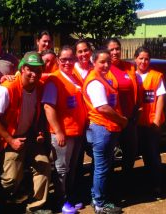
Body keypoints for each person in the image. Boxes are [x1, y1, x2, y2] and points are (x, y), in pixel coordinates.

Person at [0, 51, 52, 214]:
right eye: (30, 69)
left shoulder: (39, 86)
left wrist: (38, 132)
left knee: (43, 164)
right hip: (8, 139)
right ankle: (0, 201)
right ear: (22, 69)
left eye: (38, 70)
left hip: (28, 137)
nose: (34, 73)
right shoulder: (7, 89)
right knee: (10, 178)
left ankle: (35, 206)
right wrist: (10, 140)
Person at [42, 46, 87, 213]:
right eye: (63, 59)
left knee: (71, 168)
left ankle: (68, 196)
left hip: (76, 132)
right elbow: (48, 107)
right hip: (62, 134)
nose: (67, 62)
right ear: (58, 61)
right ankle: (60, 200)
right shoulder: (54, 80)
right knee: (61, 169)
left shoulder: (75, 78)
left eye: (70, 59)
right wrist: (58, 131)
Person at [83, 49, 128, 214]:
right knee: (101, 167)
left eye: (108, 61)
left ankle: (97, 198)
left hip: (105, 128)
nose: (106, 65)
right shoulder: (95, 82)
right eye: (102, 62)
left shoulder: (102, 79)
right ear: (93, 62)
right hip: (102, 128)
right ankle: (100, 203)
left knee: (100, 166)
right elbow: (102, 107)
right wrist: (122, 120)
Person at [105, 38, 139, 176]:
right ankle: (109, 185)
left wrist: (138, 108)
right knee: (109, 155)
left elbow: (136, 88)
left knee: (130, 152)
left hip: (129, 118)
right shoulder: (103, 68)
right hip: (112, 119)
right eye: (111, 49)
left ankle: (127, 180)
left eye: (117, 49)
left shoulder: (129, 67)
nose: (115, 52)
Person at [135, 47, 166, 196]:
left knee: (152, 155)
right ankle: (133, 184)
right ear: (136, 59)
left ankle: (156, 185)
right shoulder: (131, 75)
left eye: (146, 59)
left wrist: (157, 120)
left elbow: (160, 98)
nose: (143, 61)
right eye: (141, 58)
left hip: (151, 123)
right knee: (134, 155)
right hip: (135, 123)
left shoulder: (155, 76)